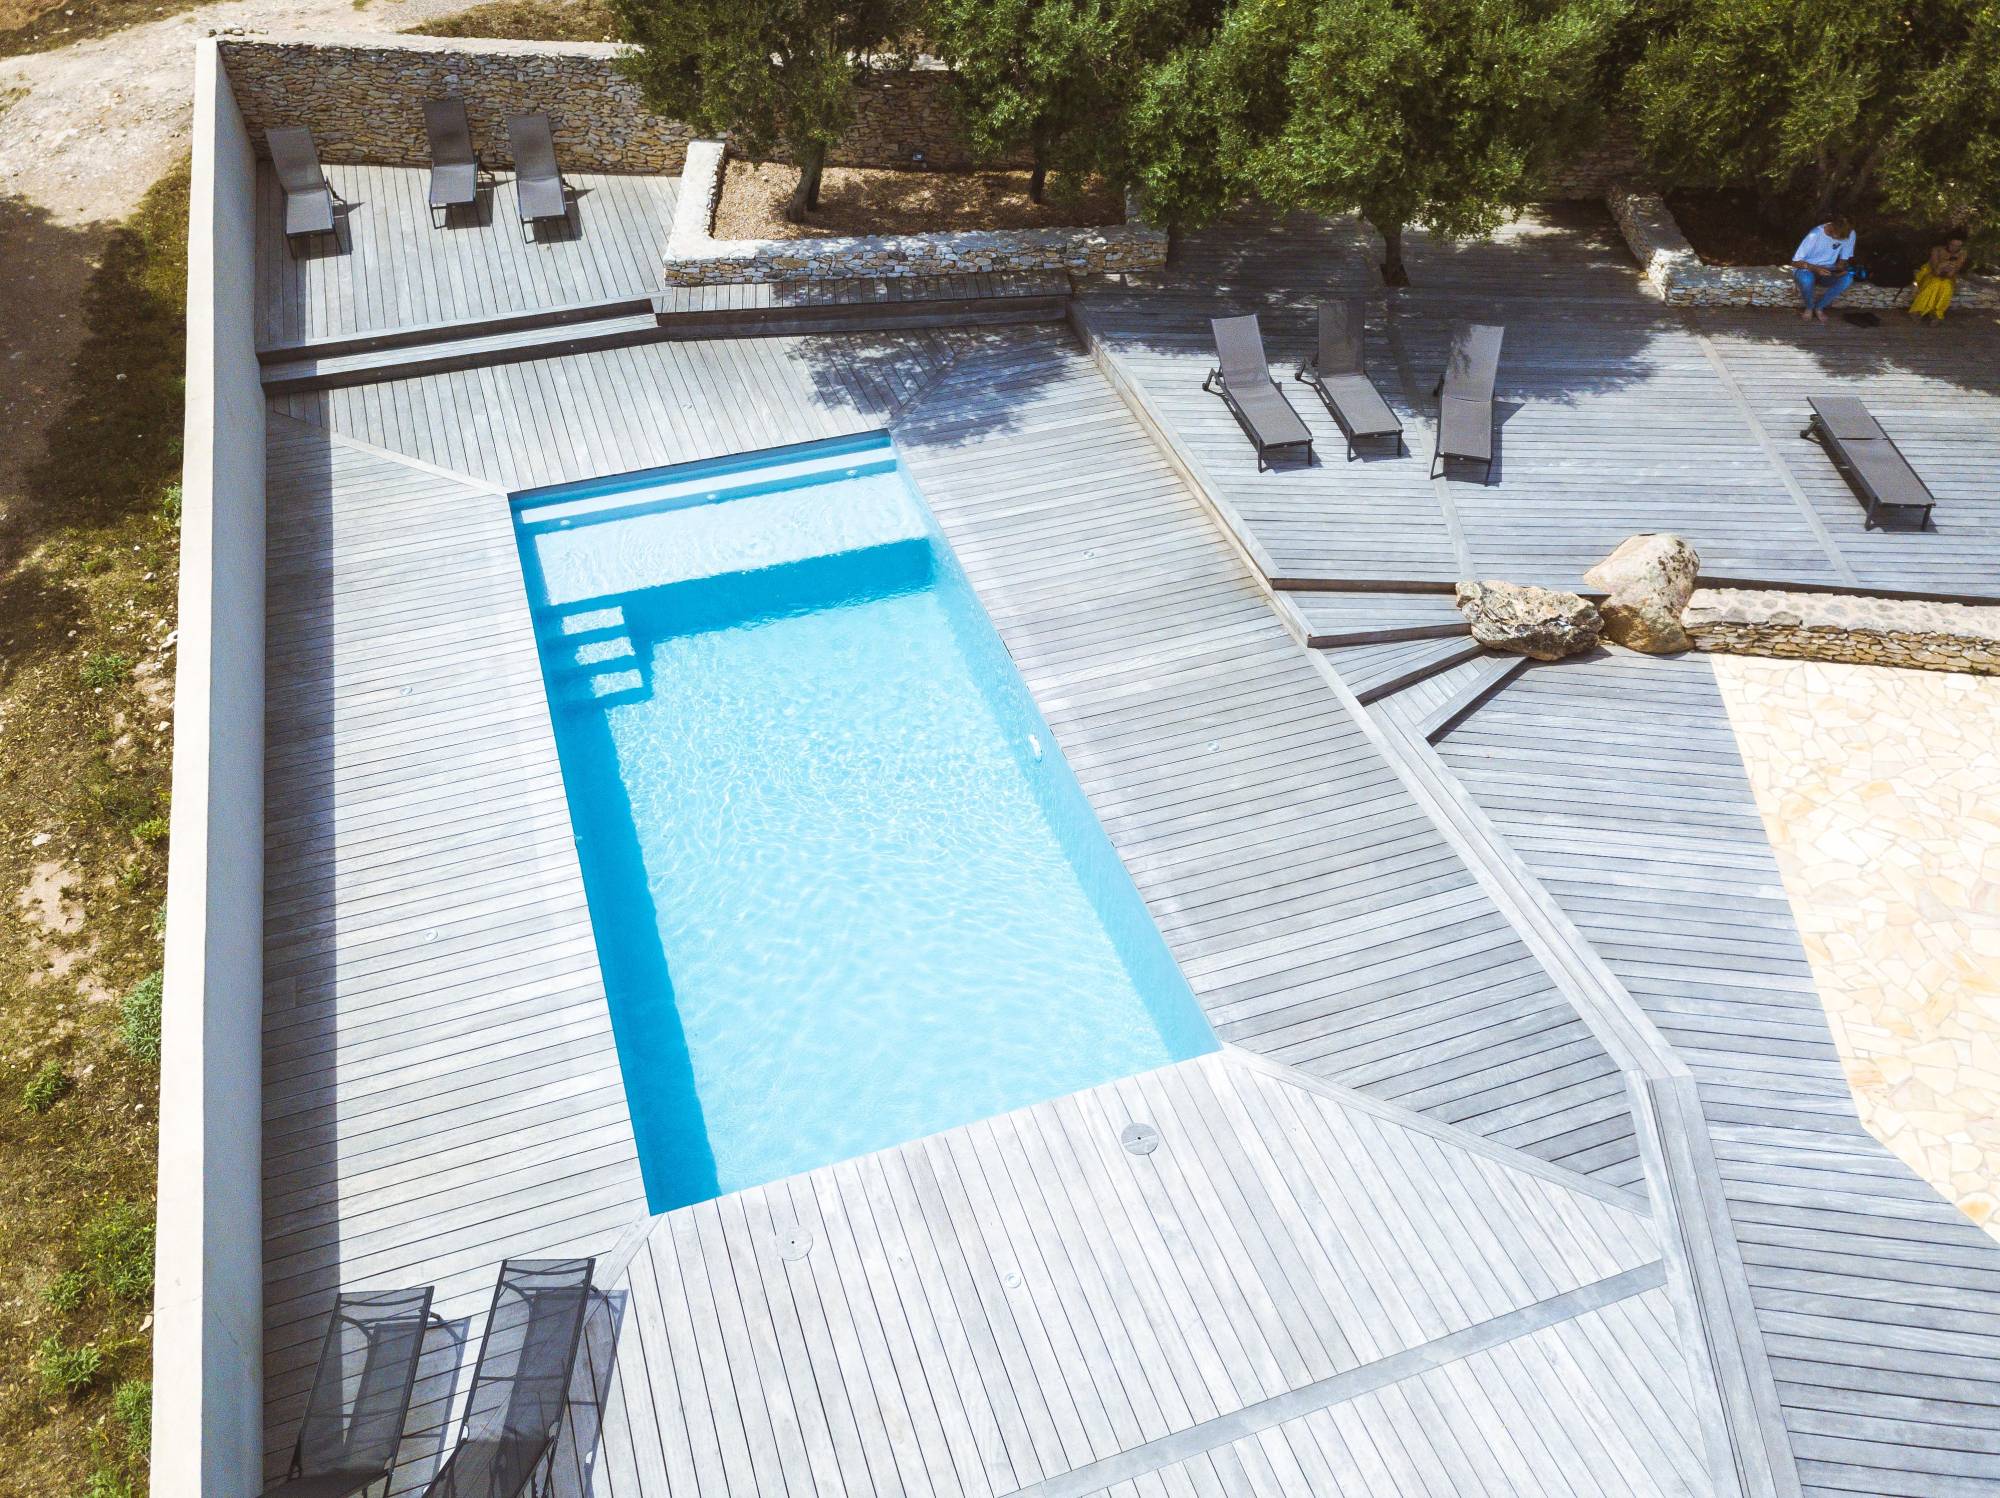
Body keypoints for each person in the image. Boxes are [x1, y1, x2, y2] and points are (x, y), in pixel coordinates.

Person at [1790, 216, 1857, 322]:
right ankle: (1809, 307)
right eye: (1838, 237)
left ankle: (1819, 307)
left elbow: (1843, 260)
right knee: (1807, 279)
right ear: (1832, 228)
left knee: (1847, 279)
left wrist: (1840, 270)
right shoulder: (1815, 234)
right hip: (1806, 269)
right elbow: (1794, 262)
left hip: (1827, 271)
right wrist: (1815, 269)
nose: (1840, 240)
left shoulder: (1850, 234)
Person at [1908, 230, 1969, 322]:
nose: (1955, 248)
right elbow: (1935, 271)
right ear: (1948, 242)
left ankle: (1936, 313)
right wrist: (1943, 265)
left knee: (1946, 286)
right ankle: (1918, 310)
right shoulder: (1937, 250)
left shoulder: (1962, 253)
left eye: (1958, 246)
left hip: (1949, 275)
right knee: (1934, 283)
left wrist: (1950, 269)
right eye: (1953, 245)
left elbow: (1953, 272)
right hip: (1930, 273)